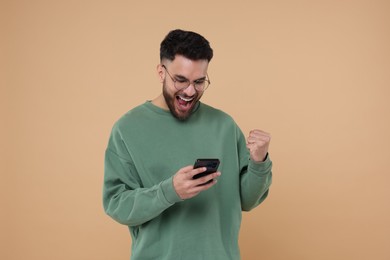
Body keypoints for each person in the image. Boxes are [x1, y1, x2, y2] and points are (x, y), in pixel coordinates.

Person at [103, 29, 273, 260]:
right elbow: (117, 205)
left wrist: (258, 162)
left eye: (199, 81)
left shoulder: (224, 125)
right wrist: (170, 191)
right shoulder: (127, 129)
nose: (190, 91)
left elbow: (247, 200)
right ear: (161, 72)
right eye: (180, 80)